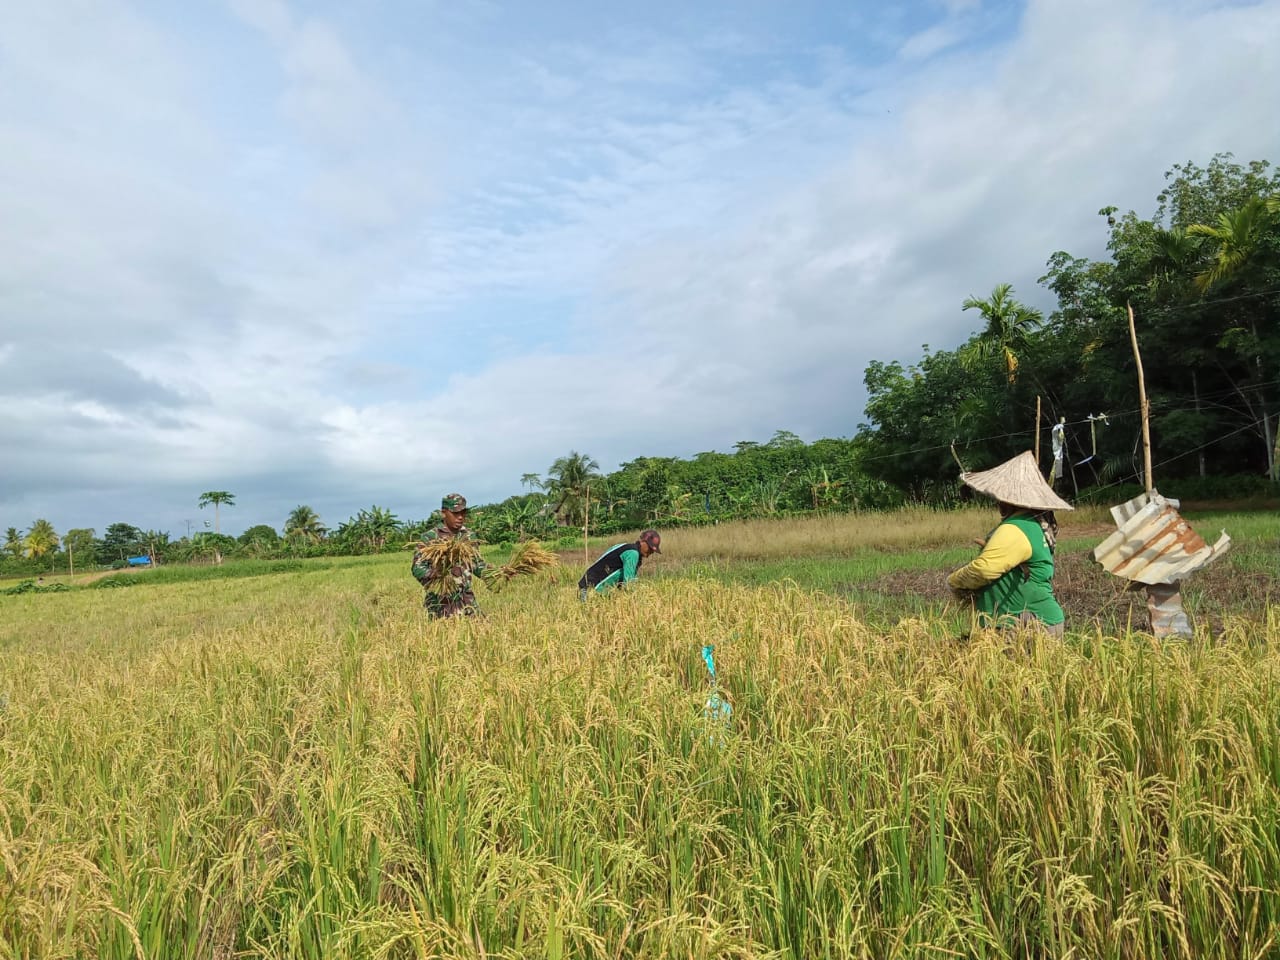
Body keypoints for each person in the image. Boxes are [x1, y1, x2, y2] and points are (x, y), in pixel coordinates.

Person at [947, 451, 1073, 636]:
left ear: (1009, 499)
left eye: (1000, 497)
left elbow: (984, 569)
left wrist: (954, 581)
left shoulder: (1016, 528)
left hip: (1025, 624)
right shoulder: (1034, 524)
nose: (998, 502)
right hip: (1036, 621)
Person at [411, 493, 488, 618]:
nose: (460, 517)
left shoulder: (468, 536)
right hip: (441, 602)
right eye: (456, 513)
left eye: (463, 513)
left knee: (484, 631)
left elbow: (476, 564)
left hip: (466, 599)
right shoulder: (431, 537)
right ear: (443, 513)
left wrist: (495, 573)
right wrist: (434, 574)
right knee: (445, 635)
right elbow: (417, 567)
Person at [578, 529, 661, 600]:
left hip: (586, 586)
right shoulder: (633, 554)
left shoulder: (626, 547)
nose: (652, 552)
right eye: (650, 548)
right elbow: (628, 583)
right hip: (591, 590)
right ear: (643, 542)